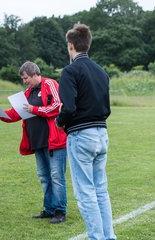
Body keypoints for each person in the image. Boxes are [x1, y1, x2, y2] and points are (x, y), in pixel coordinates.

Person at [55, 23, 117, 239]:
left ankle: (97, 237)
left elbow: (69, 107)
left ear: (71, 46)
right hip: (101, 133)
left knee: (85, 193)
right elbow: (106, 108)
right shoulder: (102, 72)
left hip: (82, 135)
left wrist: (59, 121)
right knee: (100, 190)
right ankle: (108, 236)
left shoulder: (70, 71)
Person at [0, 61, 67, 224]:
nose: (25, 81)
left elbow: (58, 106)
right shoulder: (28, 92)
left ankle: (60, 211)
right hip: (37, 141)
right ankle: (49, 209)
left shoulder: (50, 84)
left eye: (26, 78)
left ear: (34, 74)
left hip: (54, 140)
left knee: (57, 176)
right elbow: (17, 113)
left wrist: (35, 110)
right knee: (44, 176)